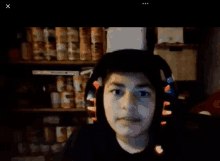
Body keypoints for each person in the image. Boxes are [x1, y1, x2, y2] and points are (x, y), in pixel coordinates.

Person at [52, 49, 184, 161]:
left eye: (143, 93)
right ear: (98, 100)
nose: (128, 105)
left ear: (161, 102)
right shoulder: (82, 143)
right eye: (117, 92)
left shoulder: (181, 149)